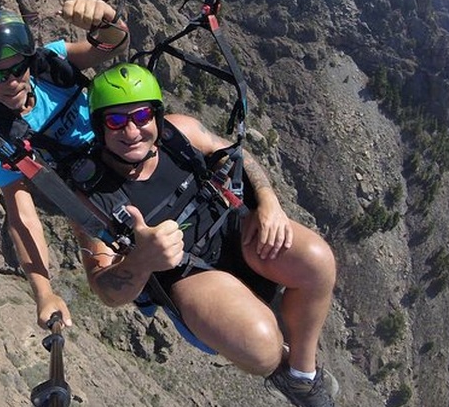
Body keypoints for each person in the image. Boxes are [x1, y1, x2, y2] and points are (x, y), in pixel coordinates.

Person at [71, 63, 337, 407]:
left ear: (156, 116)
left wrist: (269, 202)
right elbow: (103, 288)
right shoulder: (91, 196)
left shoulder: (178, 133)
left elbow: (235, 154)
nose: (132, 131)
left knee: (317, 260)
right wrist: (141, 260)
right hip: (187, 273)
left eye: (141, 116)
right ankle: (278, 364)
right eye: (116, 121)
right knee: (262, 349)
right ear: (99, 127)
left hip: (233, 229)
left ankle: (302, 377)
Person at [0, 0, 129, 329]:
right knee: (107, 284)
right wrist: (44, 292)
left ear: (28, 62)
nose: (11, 82)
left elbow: (112, 46)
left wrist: (107, 19)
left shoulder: (51, 64)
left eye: (17, 69)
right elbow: (22, 216)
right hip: (86, 195)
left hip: (121, 147)